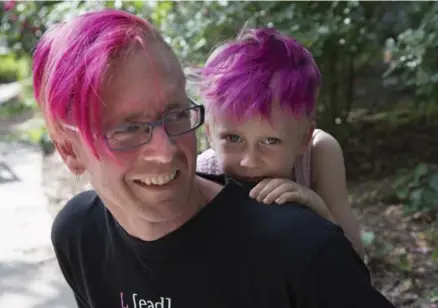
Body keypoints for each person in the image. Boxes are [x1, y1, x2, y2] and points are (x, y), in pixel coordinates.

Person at [33, 9, 395, 308]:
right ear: (69, 151)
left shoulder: (301, 249)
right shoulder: (79, 235)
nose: (166, 151)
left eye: (175, 114)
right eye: (127, 129)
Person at [194, 27, 364, 255]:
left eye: (271, 141)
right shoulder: (201, 174)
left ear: (304, 138)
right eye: (233, 138)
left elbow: (356, 258)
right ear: (209, 134)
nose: (249, 161)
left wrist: (316, 207)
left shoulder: (318, 154)